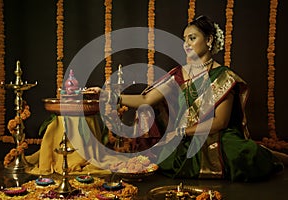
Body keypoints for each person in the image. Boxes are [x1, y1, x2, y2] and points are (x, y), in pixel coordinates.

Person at [91, 15, 285, 181]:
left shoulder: (225, 77)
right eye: (185, 39)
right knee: (162, 156)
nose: (186, 44)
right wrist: (109, 96)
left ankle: (274, 156)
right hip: (185, 138)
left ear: (209, 40)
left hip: (216, 137)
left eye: (192, 38)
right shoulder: (180, 74)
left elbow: (221, 121)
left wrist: (183, 131)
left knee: (243, 154)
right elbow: (146, 100)